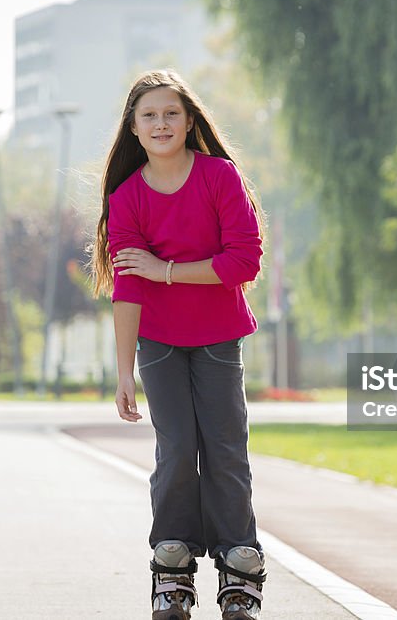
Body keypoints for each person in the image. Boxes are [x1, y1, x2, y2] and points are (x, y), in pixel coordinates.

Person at [91, 69, 267, 620]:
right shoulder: (127, 198)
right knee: (175, 452)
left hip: (218, 337)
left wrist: (166, 270)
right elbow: (128, 288)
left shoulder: (219, 177)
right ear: (134, 129)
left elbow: (244, 262)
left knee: (224, 450)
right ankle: (173, 567)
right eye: (149, 116)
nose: (161, 123)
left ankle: (239, 566)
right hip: (160, 345)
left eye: (171, 113)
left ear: (189, 121)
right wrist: (124, 372)